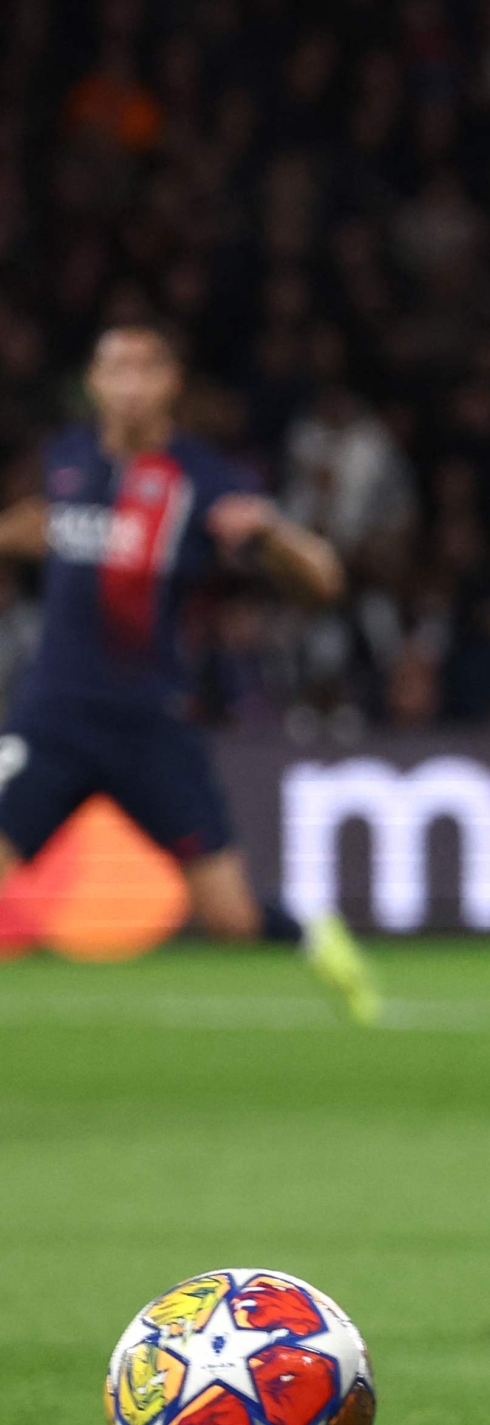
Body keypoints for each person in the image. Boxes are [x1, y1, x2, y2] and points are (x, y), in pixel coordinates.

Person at [0, 322, 379, 1019]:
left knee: (231, 921)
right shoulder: (68, 459)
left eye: (145, 369)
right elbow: (37, 526)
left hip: (149, 725)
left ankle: (311, 933)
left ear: (172, 383)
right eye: (114, 368)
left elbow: (323, 582)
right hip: (52, 715)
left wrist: (271, 534)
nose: (129, 383)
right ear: (93, 382)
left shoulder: (201, 478)